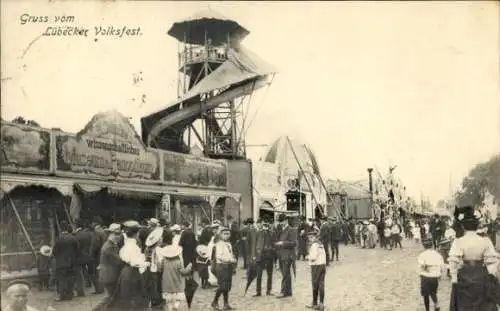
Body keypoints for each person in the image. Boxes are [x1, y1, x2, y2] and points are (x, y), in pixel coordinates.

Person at [448, 206, 500, 311]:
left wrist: (454, 279)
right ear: (477, 226)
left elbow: (453, 262)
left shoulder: (459, 241)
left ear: (463, 227)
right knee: (483, 305)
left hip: (464, 275)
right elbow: (492, 262)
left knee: (465, 305)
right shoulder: (485, 241)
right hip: (481, 274)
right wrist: (490, 275)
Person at [108, 220, 150, 311]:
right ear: (136, 233)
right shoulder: (133, 246)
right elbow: (136, 263)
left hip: (125, 272)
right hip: (132, 273)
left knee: (126, 297)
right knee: (135, 297)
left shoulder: (126, 245)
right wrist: (147, 262)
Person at [158, 229, 192, 311]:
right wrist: (189, 267)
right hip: (177, 284)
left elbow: (160, 270)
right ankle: (176, 307)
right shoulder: (178, 262)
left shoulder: (164, 261)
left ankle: (170, 309)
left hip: (166, 284)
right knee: (178, 298)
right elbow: (183, 272)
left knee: (168, 300)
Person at [92, 223, 124, 311]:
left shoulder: (111, 245)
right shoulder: (109, 247)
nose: (119, 236)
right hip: (110, 275)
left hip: (109, 275)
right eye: (116, 234)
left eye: (119, 234)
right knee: (110, 297)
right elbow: (118, 261)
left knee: (111, 297)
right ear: (111, 234)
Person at [211, 226, 237, 310]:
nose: (226, 235)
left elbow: (230, 254)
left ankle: (226, 304)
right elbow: (219, 257)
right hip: (222, 266)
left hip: (228, 266)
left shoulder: (228, 244)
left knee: (227, 286)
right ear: (221, 235)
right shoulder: (219, 244)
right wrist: (230, 259)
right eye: (224, 234)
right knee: (222, 286)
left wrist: (233, 258)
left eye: (228, 234)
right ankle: (214, 302)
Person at [52, 220, 78, 301]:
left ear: (61, 228)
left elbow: (54, 251)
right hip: (71, 262)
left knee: (62, 280)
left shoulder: (59, 239)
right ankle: (69, 295)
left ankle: (62, 296)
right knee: (70, 279)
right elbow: (76, 249)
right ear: (67, 228)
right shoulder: (73, 238)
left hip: (61, 263)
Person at [418, 238, 445, 311]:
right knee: (433, 292)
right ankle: (436, 304)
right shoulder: (438, 255)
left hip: (425, 276)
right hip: (435, 276)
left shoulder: (422, 255)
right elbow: (442, 266)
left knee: (425, 294)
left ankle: (427, 309)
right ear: (432, 245)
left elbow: (422, 266)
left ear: (424, 246)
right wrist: (440, 274)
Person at [252, 220, 277, 297]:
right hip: (260, 256)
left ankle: (268, 291)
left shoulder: (272, 233)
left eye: (267, 225)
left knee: (270, 274)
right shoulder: (258, 233)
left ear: (269, 225)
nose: (265, 226)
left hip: (269, 256)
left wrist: (272, 250)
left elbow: (275, 245)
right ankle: (258, 292)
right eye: (264, 225)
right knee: (259, 275)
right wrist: (254, 255)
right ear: (262, 225)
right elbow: (254, 245)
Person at [275, 214, 297, 298]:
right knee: (286, 273)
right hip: (282, 255)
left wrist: (283, 243)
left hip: (288, 255)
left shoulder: (291, 230)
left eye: (282, 221)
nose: (281, 223)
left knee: (285, 273)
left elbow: (294, 243)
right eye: (280, 222)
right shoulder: (281, 230)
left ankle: (283, 292)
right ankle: (288, 292)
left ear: (286, 220)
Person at [306, 229, 326, 311]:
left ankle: (314, 303)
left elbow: (313, 257)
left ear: (314, 237)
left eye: (311, 237)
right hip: (322, 265)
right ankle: (321, 303)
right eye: (309, 238)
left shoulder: (314, 245)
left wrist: (307, 257)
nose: (310, 239)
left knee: (315, 285)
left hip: (316, 266)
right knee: (321, 285)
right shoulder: (320, 244)